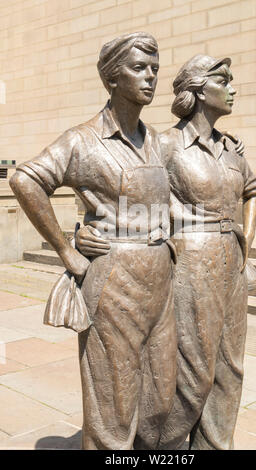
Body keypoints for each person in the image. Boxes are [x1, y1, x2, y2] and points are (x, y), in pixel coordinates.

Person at [9, 32, 177, 450]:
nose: (151, 77)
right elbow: (25, 179)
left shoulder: (156, 139)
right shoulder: (83, 140)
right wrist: (66, 246)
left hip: (160, 278)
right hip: (114, 281)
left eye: (155, 68)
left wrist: (226, 142)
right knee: (113, 402)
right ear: (112, 79)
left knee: (160, 396)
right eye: (139, 68)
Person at [153, 54, 256, 450]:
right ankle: (161, 448)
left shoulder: (232, 148)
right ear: (200, 90)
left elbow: (252, 191)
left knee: (229, 368)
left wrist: (245, 243)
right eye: (225, 81)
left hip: (231, 262)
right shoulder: (164, 144)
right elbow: (125, 192)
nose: (234, 88)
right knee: (192, 373)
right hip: (190, 264)